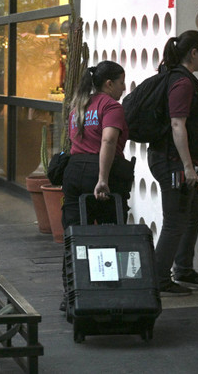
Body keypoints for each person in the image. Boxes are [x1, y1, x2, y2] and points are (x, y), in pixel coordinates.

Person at [59, 61, 135, 311]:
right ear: (109, 83)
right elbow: (109, 141)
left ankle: (71, 293)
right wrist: (102, 178)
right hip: (99, 172)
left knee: (73, 233)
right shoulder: (111, 106)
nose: (124, 88)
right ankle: (107, 293)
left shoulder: (80, 104)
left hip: (73, 171)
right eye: (122, 82)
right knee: (108, 232)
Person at [148, 30, 198, 297]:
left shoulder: (183, 79)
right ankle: (159, 278)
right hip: (171, 161)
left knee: (195, 212)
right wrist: (188, 166)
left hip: (177, 158)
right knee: (175, 220)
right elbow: (177, 124)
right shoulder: (183, 83)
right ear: (193, 53)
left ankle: (183, 268)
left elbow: (186, 127)